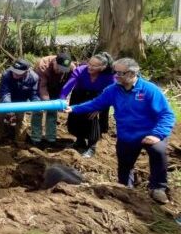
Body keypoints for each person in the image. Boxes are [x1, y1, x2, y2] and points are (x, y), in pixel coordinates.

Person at [65, 58, 176, 204]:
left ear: (131, 74)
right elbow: (96, 103)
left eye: (120, 73)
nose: (115, 76)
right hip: (127, 134)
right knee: (124, 165)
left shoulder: (149, 90)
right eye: (115, 72)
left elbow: (167, 114)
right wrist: (74, 108)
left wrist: (157, 134)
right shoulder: (113, 90)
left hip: (150, 133)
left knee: (158, 151)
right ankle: (125, 189)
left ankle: (158, 188)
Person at [60, 52, 115, 157]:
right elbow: (67, 86)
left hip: (100, 98)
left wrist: (99, 108)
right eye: (89, 64)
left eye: (94, 66)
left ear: (103, 67)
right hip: (79, 95)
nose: (89, 67)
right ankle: (79, 141)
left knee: (92, 120)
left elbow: (112, 94)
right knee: (75, 118)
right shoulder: (80, 70)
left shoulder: (110, 76)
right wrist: (62, 99)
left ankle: (92, 146)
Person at [32, 52, 75, 146]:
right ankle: (36, 137)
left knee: (52, 112)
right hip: (40, 87)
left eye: (63, 70)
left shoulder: (71, 67)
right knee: (38, 111)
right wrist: (47, 103)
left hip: (57, 87)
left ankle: (51, 138)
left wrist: (62, 98)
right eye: (58, 68)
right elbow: (42, 87)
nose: (60, 71)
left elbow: (69, 84)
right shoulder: (42, 65)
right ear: (55, 61)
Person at [0, 58, 40, 142]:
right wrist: (9, 108)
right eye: (14, 71)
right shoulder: (6, 74)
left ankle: (20, 141)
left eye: (18, 73)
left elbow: (34, 93)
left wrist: (37, 103)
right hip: (4, 97)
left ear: (26, 71)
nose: (15, 74)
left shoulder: (34, 78)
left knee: (20, 119)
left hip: (21, 99)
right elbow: (5, 92)